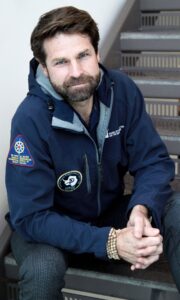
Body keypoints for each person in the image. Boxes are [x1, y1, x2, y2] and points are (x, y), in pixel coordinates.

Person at [5, 6, 178, 300]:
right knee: (42, 269)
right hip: (48, 229)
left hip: (106, 214)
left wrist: (141, 209)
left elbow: (154, 162)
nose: (76, 72)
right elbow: (31, 216)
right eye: (61, 62)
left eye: (83, 56)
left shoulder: (121, 90)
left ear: (97, 54)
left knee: (176, 207)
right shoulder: (30, 118)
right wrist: (111, 242)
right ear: (43, 67)